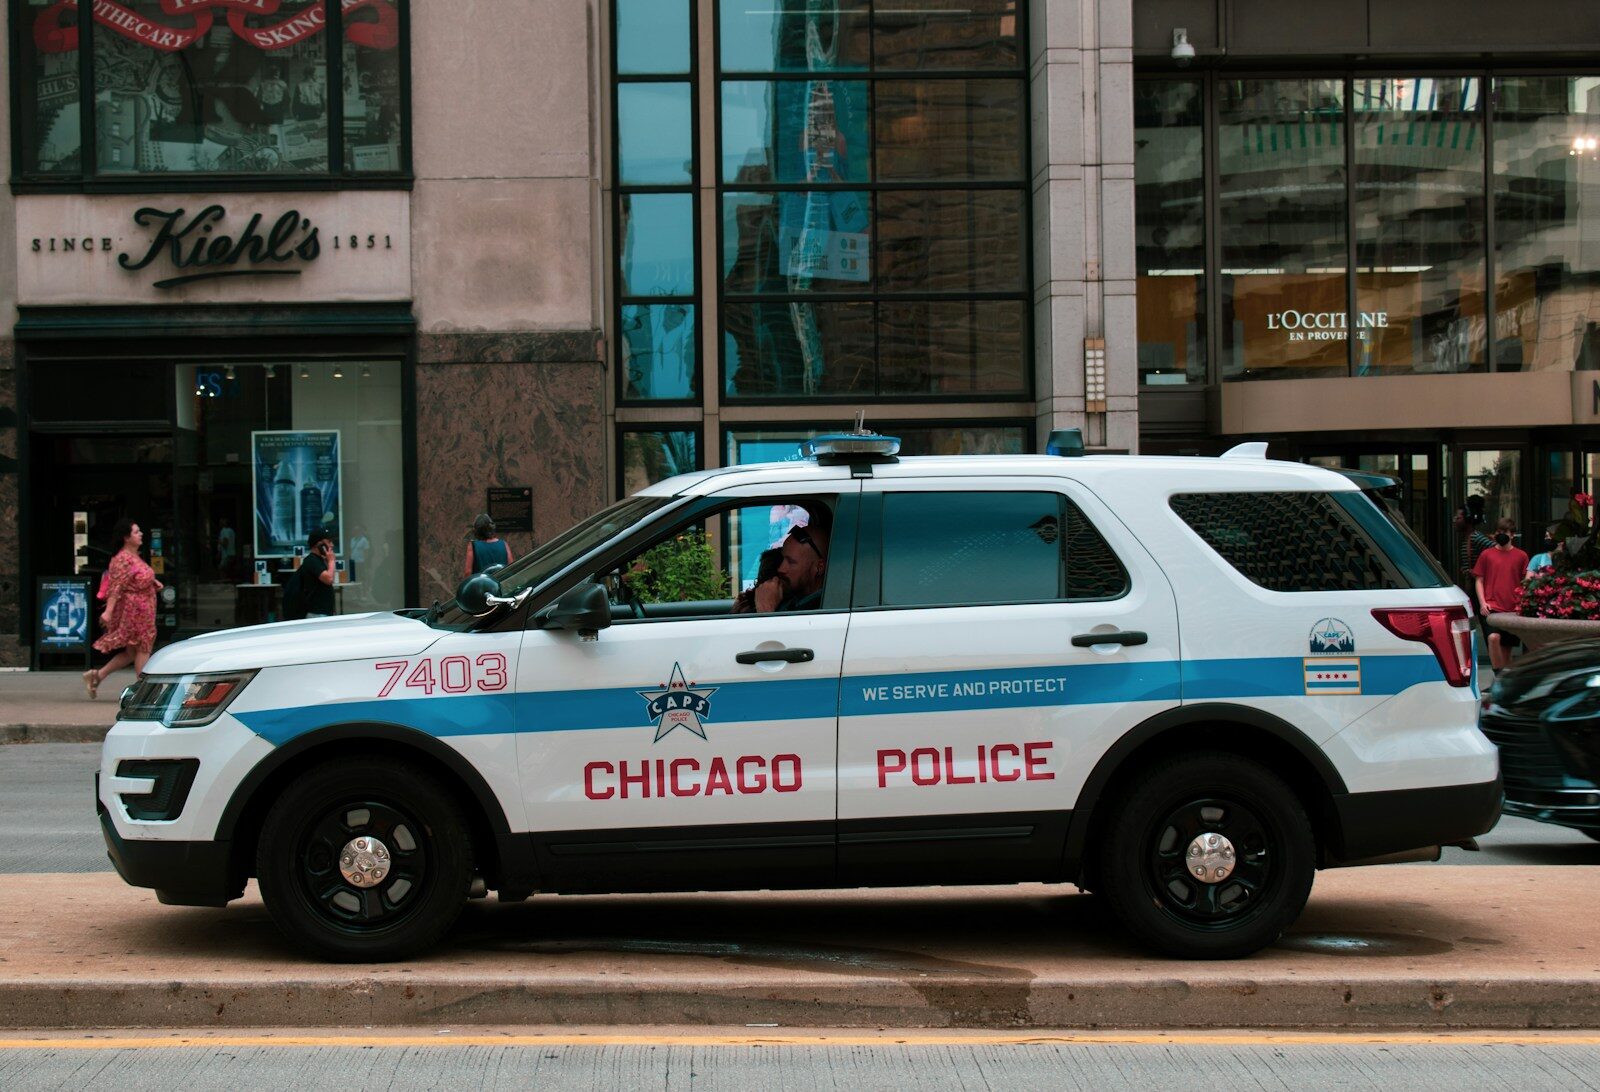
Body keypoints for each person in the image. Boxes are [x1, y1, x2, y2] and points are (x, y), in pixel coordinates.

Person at [84, 519, 163, 699]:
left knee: (132, 652)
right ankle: (144, 691)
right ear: (126, 537)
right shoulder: (122, 559)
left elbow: (135, 579)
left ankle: (97, 676)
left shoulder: (134, 556)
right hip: (135, 612)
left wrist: (153, 583)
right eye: (136, 532)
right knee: (143, 647)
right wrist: (108, 611)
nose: (140, 534)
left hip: (143, 610)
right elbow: (116, 587)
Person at [1474, 517, 1530, 672]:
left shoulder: (1521, 556)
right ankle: (1498, 674)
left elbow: (1525, 582)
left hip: (1512, 609)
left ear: (1512, 534)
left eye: (1505, 532)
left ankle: (1503, 679)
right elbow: (1479, 580)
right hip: (1491, 607)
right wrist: (1482, 602)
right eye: (1499, 531)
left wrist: (1521, 604)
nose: (1501, 535)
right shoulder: (1486, 555)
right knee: (1493, 638)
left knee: (1506, 651)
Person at [747, 524, 829, 613]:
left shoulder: (824, 610)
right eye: (782, 559)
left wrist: (766, 608)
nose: (780, 569)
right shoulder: (792, 598)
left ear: (819, 567)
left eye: (791, 562)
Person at [297, 529, 339, 618]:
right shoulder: (311, 560)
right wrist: (331, 561)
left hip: (324, 612)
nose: (332, 545)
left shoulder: (320, 560)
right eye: (329, 542)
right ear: (320, 545)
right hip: (317, 613)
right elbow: (329, 579)